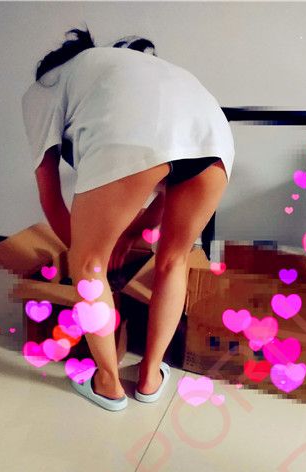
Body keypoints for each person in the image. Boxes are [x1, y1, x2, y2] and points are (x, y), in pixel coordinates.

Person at [21, 25, 235, 411]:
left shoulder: (45, 85)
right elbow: (167, 182)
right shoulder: (125, 70)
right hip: (215, 136)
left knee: (87, 263)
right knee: (173, 261)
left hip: (134, 133)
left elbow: (50, 196)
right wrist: (128, 233)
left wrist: (91, 262)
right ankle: (150, 377)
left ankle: (107, 382)